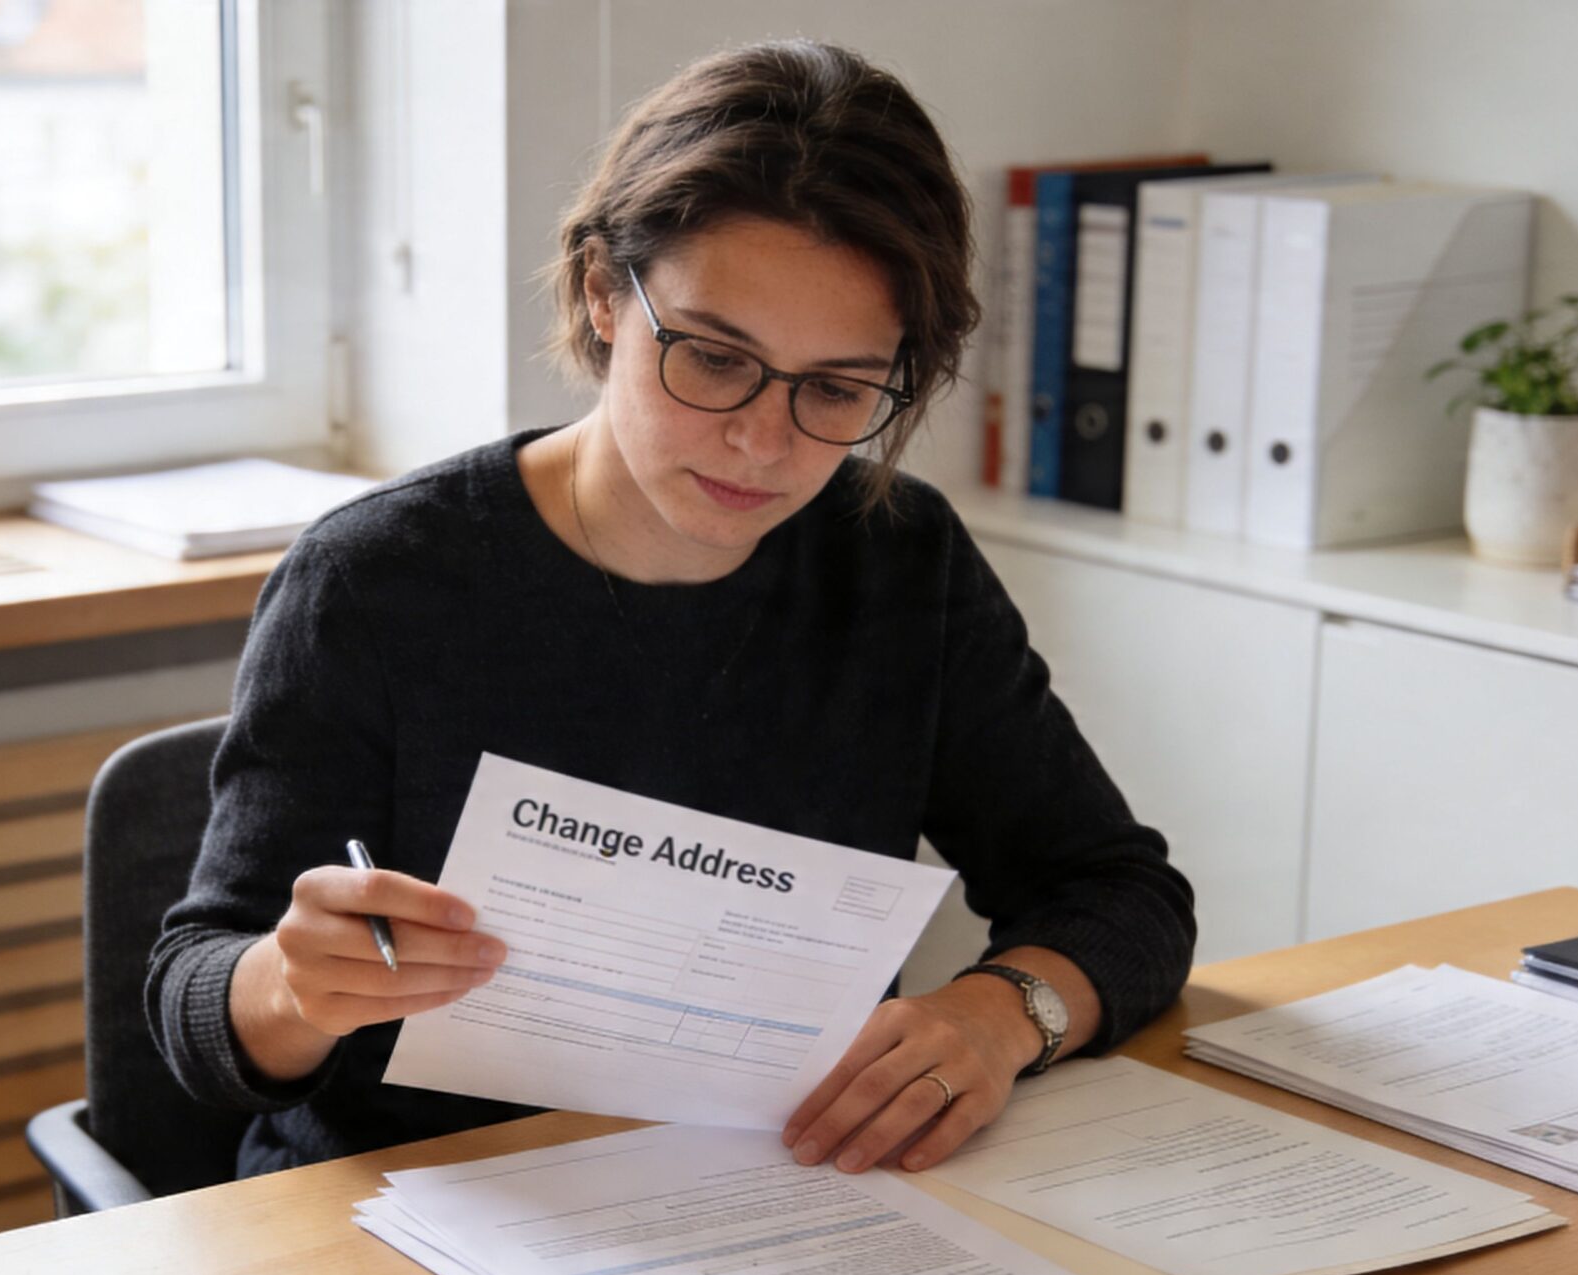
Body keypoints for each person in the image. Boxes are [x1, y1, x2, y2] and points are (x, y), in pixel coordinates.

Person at [147, 39, 1195, 1181]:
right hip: (418, 1211)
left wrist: (1003, 1016)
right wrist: (294, 985)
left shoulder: (896, 561)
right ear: (604, 295)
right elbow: (195, 1000)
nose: (762, 441)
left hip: (786, 1199)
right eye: (710, 358)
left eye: (837, 390)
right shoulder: (379, 579)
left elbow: (1119, 893)